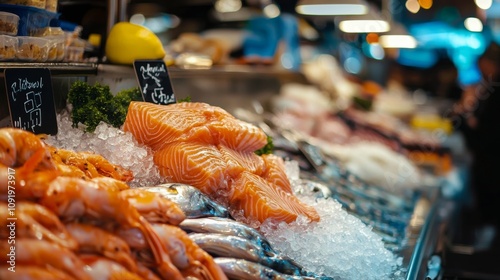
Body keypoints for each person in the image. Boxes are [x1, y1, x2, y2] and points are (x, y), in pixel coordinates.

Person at [456, 41, 500, 225]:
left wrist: (463, 117)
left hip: (491, 169)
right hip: (489, 165)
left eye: (481, 64)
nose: (480, 70)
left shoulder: (495, 91)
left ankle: (487, 248)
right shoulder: (491, 89)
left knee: (489, 216)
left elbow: (485, 137)